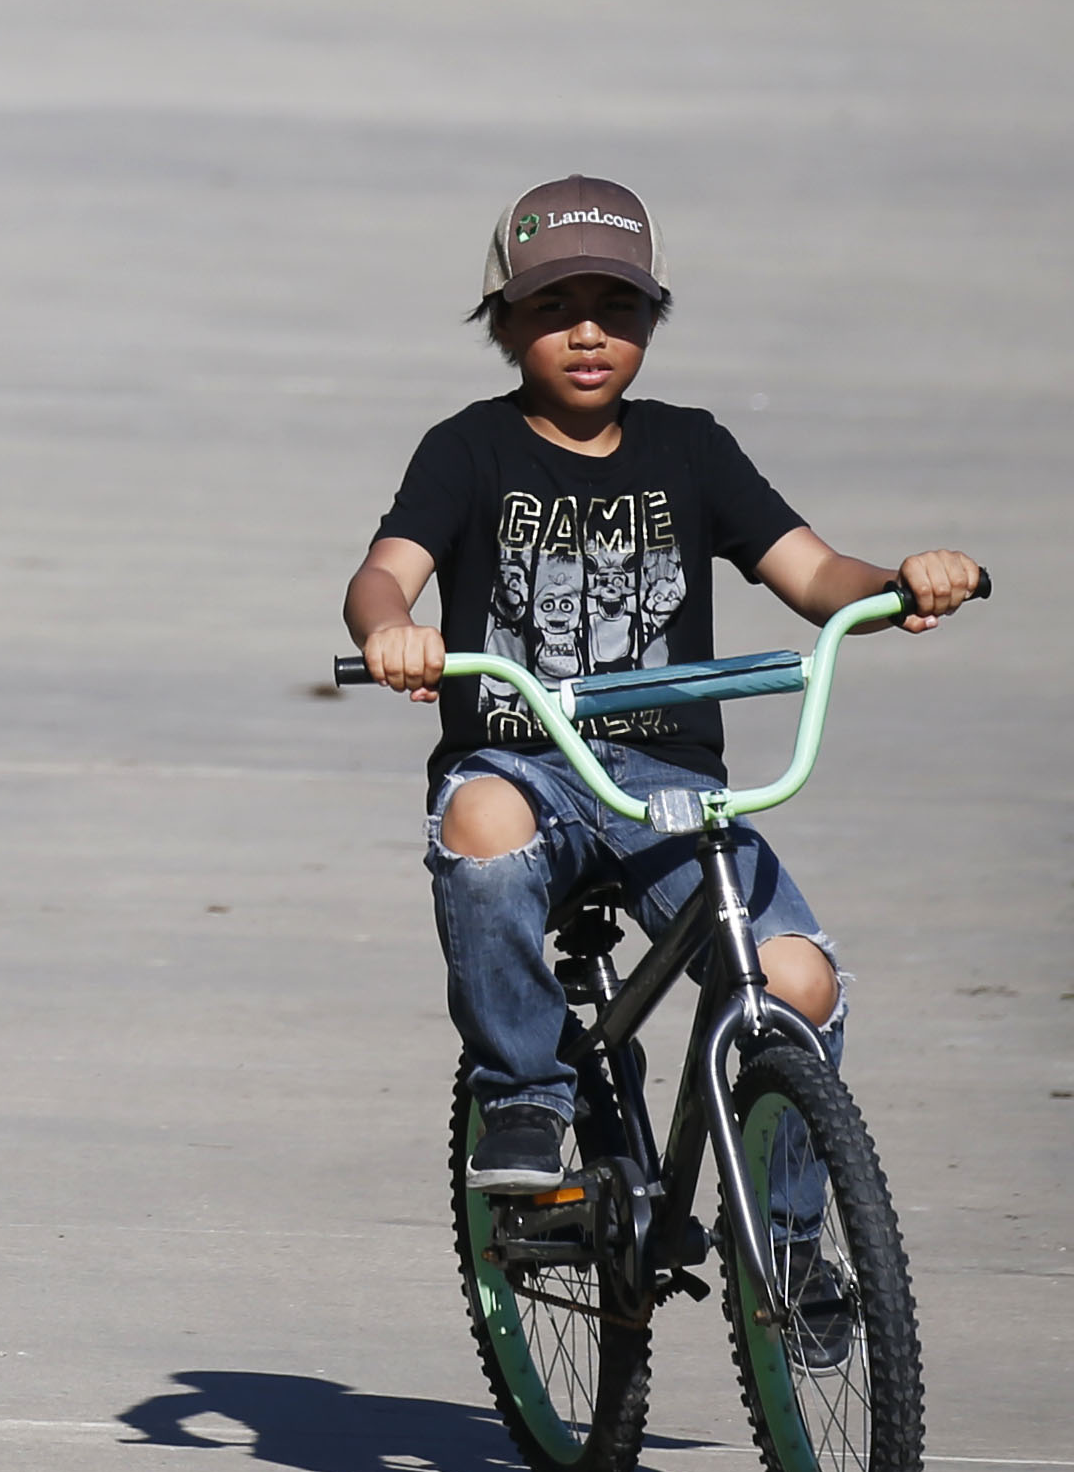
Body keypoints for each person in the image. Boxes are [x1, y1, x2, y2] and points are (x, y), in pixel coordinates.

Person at [340, 176, 982, 1196]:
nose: (586, 333)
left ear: (651, 318)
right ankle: (524, 1088)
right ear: (502, 324)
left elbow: (811, 573)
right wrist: (391, 632)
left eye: (616, 308)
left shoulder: (690, 446)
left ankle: (794, 1234)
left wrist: (894, 584)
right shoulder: (466, 449)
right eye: (551, 309)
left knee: (796, 981)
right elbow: (385, 570)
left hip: (664, 783)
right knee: (479, 818)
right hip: (524, 758)